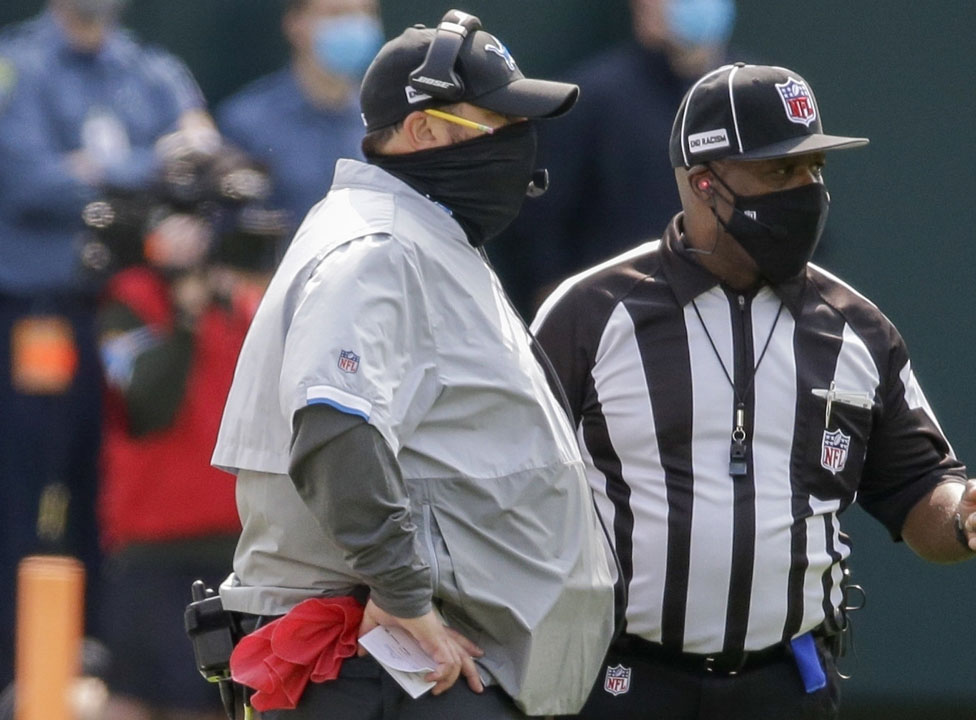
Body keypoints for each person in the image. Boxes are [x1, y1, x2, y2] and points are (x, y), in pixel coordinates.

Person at [531, 63, 976, 720]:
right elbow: (506, 484)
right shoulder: (590, 314)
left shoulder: (858, 329)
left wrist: (966, 516)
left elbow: (918, 487)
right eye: (781, 173)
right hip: (623, 678)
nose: (806, 190)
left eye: (815, 170)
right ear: (704, 182)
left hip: (784, 682)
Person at [210, 10, 614, 719]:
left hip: (419, 664)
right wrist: (403, 594)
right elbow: (336, 424)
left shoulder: (424, 236)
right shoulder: (378, 246)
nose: (523, 143)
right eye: (502, 121)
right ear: (424, 130)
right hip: (383, 663)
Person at [0, 0, 211, 689]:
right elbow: (28, 178)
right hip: (40, 313)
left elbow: (199, 160)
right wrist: (147, 172)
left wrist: (98, 167)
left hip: (131, 311)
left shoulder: (153, 72)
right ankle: (19, 668)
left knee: (121, 489)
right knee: (29, 493)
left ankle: (108, 664)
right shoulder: (18, 65)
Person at [93, 133, 281, 720]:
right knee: (136, 698)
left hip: (238, 544)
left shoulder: (254, 302)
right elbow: (144, 407)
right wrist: (183, 310)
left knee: (218, 703)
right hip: (151, 545)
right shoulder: (131, 299)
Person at [487, 0, 738, 317]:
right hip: (619, 326)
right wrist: (564, 319)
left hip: (732, 324)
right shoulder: (590, 99)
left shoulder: (753, 99)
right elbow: (539, 232)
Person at [216, 0, 381, 242]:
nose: (354, 25)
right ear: (295, 24)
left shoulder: (385, 122)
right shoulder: (247, 122)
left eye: (366, 13)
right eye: (336, 14)